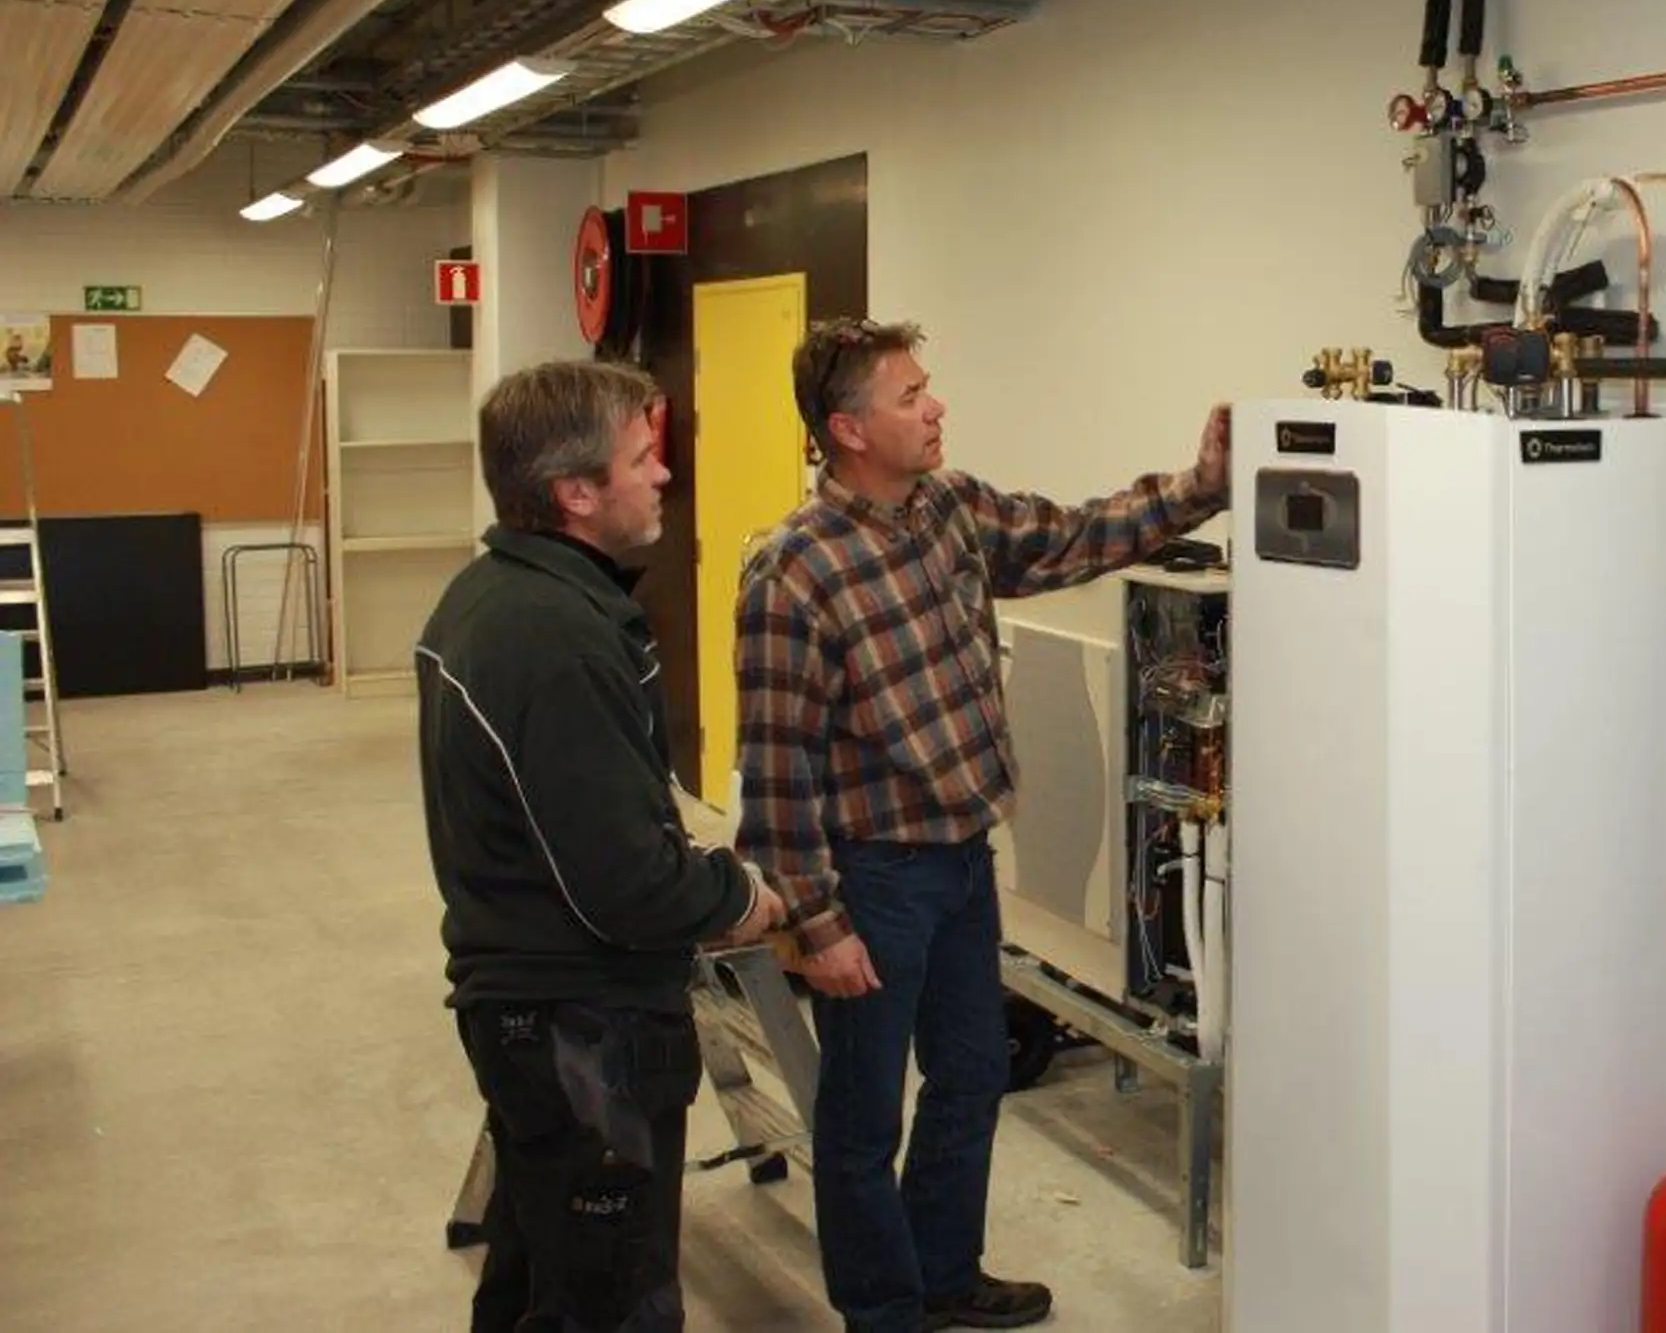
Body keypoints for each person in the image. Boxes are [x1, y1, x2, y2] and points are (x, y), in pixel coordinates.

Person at [734, 318, 1230, 1333]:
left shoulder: (948, 508)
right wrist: (816, 922)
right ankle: (883, 1311)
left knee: (970, 1074)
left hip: (961, 861)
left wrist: (1201, 485)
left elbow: (1072, 535)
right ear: (848, 429)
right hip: (872, 877)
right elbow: (778, 771)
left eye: (928, 388)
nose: (936, 406)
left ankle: (945, 1274)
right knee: (863, 1115)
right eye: (910, 395)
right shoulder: (794, 570)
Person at [418, 359, 785, 1333]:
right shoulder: (556, 637)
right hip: (583, 1027)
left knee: (543, 1281)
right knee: (612, 1299)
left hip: (534, 1010)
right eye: (639, 458)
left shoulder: (494, 596)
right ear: (576, 492)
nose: (662, 474)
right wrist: (738, 895)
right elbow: (628, 886)